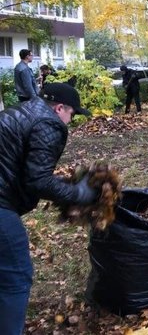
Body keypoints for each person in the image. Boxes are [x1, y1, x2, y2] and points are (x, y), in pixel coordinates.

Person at [0, 83, 99, 334]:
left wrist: (65, 186)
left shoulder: (20, 111)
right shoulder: (49, 124)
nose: (70, 120)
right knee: (16, 276)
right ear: (59, 108)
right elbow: (38, 181)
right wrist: (78, 193)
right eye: (72, 114)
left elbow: (27, 171)